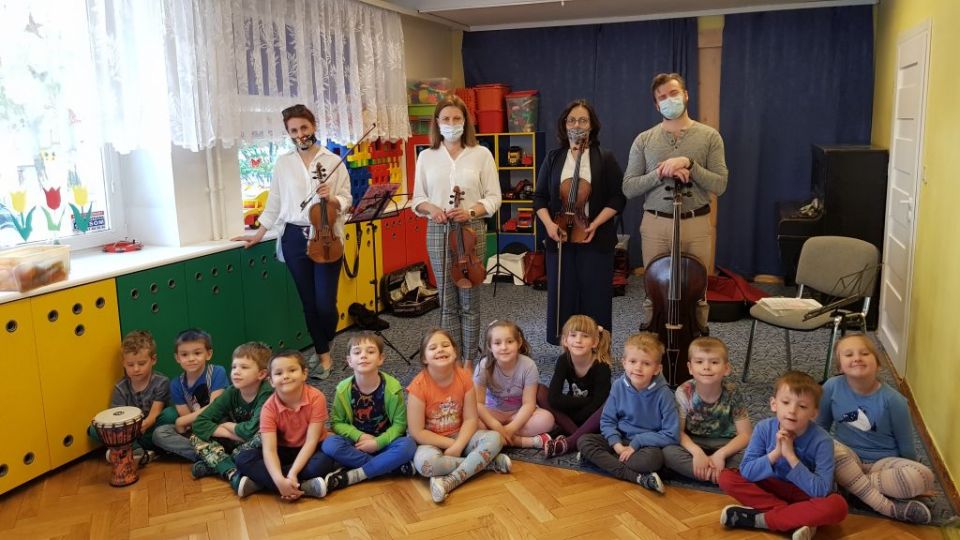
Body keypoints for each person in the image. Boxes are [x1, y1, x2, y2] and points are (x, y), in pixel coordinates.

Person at [233, 104, 352, 380]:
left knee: (325, 304)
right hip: (294, 238)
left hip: (326, 236)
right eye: (294, 130)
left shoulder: (333, 160)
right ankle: (323, 356)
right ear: (288, 133)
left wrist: (332, 198)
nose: (300, 134)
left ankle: (326, 340)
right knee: (308, 303)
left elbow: (347, 198)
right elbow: (274, 202)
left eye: (304, 128)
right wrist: (258, 233)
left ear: (314, 126)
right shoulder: (283, 163)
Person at [622, 73, 728, 333]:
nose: (669, 100)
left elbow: (720, 185)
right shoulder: (644, 139)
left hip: (696, 223)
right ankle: (654, 344)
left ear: (685, 95)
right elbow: (629, 187)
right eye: (662, 97)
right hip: (656, 224)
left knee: (697, 292)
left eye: (673, 93)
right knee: (654, 290)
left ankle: (696, 344)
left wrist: (690, 165)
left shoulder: (710, 136)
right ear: (656, 105)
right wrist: (661, 172)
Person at [410, 95, 502, 369]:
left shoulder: (481, 154)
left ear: (465, 121)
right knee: (447, 300)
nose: (451, 124)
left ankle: (469, 361)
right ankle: (451, 358)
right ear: (437, 123)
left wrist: (471, 211)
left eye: (457, 118)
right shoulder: (426, 156)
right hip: (438, 230)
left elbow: (494, 197)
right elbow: (417, 199)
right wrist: (431, 208)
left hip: (471, 231)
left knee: (469, 299)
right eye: (446, 119)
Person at [533, 99, 625, 345]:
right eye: (571, 120)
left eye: (583, 120)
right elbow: (539, 197)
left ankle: (598, 347)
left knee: (596, 296)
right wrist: (550, 225)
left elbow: (618, 197)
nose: (577, 125)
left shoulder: (604, 157)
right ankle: (567, 348)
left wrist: (595, 224)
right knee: (563, 295)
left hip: (595, 237)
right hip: (560, 237)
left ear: (592, 126)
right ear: (564, 125)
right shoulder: (553, 158)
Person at [817, 334, 934, 524]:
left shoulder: (894, 400)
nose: (857, 358)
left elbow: (906, 445)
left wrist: (910, 471)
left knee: (924, 476)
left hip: (882, 463)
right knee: (827, 446)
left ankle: (851, 489)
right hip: (845, 458)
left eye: (864, 353)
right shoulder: (831, 387)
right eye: (849, 354)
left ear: (878, 364)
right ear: (840, 367)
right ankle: (884, 503)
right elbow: (820, 428)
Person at [719, 371, 848, 540]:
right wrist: (776, 454)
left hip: (804, 493)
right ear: (774, 404)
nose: (792, 411)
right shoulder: (763, 428)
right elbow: (747, 472)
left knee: (838, 506)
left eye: (802, 406)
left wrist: (791, 457)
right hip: (773, 487)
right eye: (786, 402)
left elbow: (822, 490)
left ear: (814, 413)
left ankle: (760, 520)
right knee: (726, 478)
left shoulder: (823, 440)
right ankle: (798, 518)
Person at [406, 328, 509, 503]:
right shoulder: (418, 386)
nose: (440, 350)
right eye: (433, 348)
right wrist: (452, 445)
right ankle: (488, 463)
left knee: (495, 438)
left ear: (455, 352)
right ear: (424, 358)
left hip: (461, 435)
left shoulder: (464, 377)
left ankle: (449, 481)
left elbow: (471, 419)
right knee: (426, 465)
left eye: (445, 345)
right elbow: (417, 432)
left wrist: (459, 443)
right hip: (430, 441)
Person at [577, 332, 677, 493]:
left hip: (646, 446)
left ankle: (601, 460)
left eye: (646, 363)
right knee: (584, 441)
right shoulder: (618, 386)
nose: (638, 368)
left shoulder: (664, 394)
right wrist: (617, 445)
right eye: (633, 361)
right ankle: (637, 477)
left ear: (657, 369)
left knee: (651, 460)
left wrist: (637, 442)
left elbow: (671, 434)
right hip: (620, 439)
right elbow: (607, 421)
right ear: (624, 363)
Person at [320, 332, 417, 493]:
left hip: (386, 442)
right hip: (357, 444)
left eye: (370, 351)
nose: (363, 356)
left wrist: (378, 443)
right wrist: (359, 436)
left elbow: (400, 425)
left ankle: (356, 474)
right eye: (357, 352)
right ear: (349, 361)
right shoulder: (343, 389)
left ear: (381, 359)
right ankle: (390, 466)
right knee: (330, 444)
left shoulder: (393, 387)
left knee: (408, 446)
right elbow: (337, 423)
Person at [234, 351, 338, 499]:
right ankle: (302, 487)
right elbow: (269, 450)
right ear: (271, 381)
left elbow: (311, 441)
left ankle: (263, 484)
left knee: (323, 462)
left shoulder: (316, 397)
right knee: (243, 459)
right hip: (283, 450)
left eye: (292, 370)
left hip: (312, 448)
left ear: (304, 374)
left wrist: (292, 473)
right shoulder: (268, 408)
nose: (285, 376)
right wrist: (279, 480)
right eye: (278, 373)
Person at [663, 337, 752, 483]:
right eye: (699, 362)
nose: (706, 367)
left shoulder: (732, 392)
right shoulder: (684, 391)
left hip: (726, 444)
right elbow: (678, 432)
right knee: (668, 452)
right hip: (694, 442)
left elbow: (746, 434)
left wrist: (721, 454)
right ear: (690, 368)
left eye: (714, 362)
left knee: (754, 454)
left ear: (726, 368)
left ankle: (707, 473)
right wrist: (697, 452)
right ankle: (722, 477)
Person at [189, 342, 274, 494]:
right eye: (234, 367)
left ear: (261, 374)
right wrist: (229, 433)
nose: (236, 372)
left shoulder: (267, 393)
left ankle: (215, 465)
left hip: (257, 444)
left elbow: (250, 431)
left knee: (263, 436)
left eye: (244, 367)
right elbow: (199, 423)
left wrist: (227, 425)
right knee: (196, 437)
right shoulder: (231, 392)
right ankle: (232, 473)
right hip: (237, 439)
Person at [88, 330, 176, 464]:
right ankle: (137, 451)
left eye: (141, 363)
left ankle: (126, 452)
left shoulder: (161, 382)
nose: (136, 369)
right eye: (130, 365)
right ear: (123, 363)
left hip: (150, 430)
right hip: (127, 434)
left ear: (153, 360)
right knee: (94, 429)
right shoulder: (120, 387)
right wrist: (128, 432)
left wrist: (143, 426)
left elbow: (155, 414)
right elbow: (116, 418)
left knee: (171, 414)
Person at [536, 315, 613, 458]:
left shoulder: (602, 367)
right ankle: (578, 436)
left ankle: (569, 439)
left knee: (610, 403)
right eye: (573, 335)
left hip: (593, 416)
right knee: (539, 390)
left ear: (595, 342)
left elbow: (598, 403)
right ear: (565, 340)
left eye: (585, 336)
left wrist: (570, 409)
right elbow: (553, 398)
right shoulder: (563, 360)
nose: (578, 340)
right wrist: (585, 401)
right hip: (572, 408)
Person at [473, 320, 555, 449]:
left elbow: (528, 403)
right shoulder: (484, 366)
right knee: (469, 421)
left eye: (510, 342)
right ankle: (524, 442)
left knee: (547, 420)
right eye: (497, 343)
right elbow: (477, 403)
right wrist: (495, 424)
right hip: (492, 413)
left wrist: (511, 428)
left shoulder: (528, 366)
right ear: (489, 346)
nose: (504, 347)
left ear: (519, 343)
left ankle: (496, 439)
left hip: (518, 413)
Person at [152, 329, 228, 460]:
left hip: (220, 425)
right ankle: (212, 455)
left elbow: (215, 408)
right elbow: (188, 421)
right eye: (184, 355)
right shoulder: (177, 384)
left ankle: (210, 455)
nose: (191, 359)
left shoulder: (217, 372)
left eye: (197, 353)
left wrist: (181, 421)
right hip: (197, 428)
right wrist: (184, 423)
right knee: (160, 433)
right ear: (177, 358)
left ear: (208, 354)